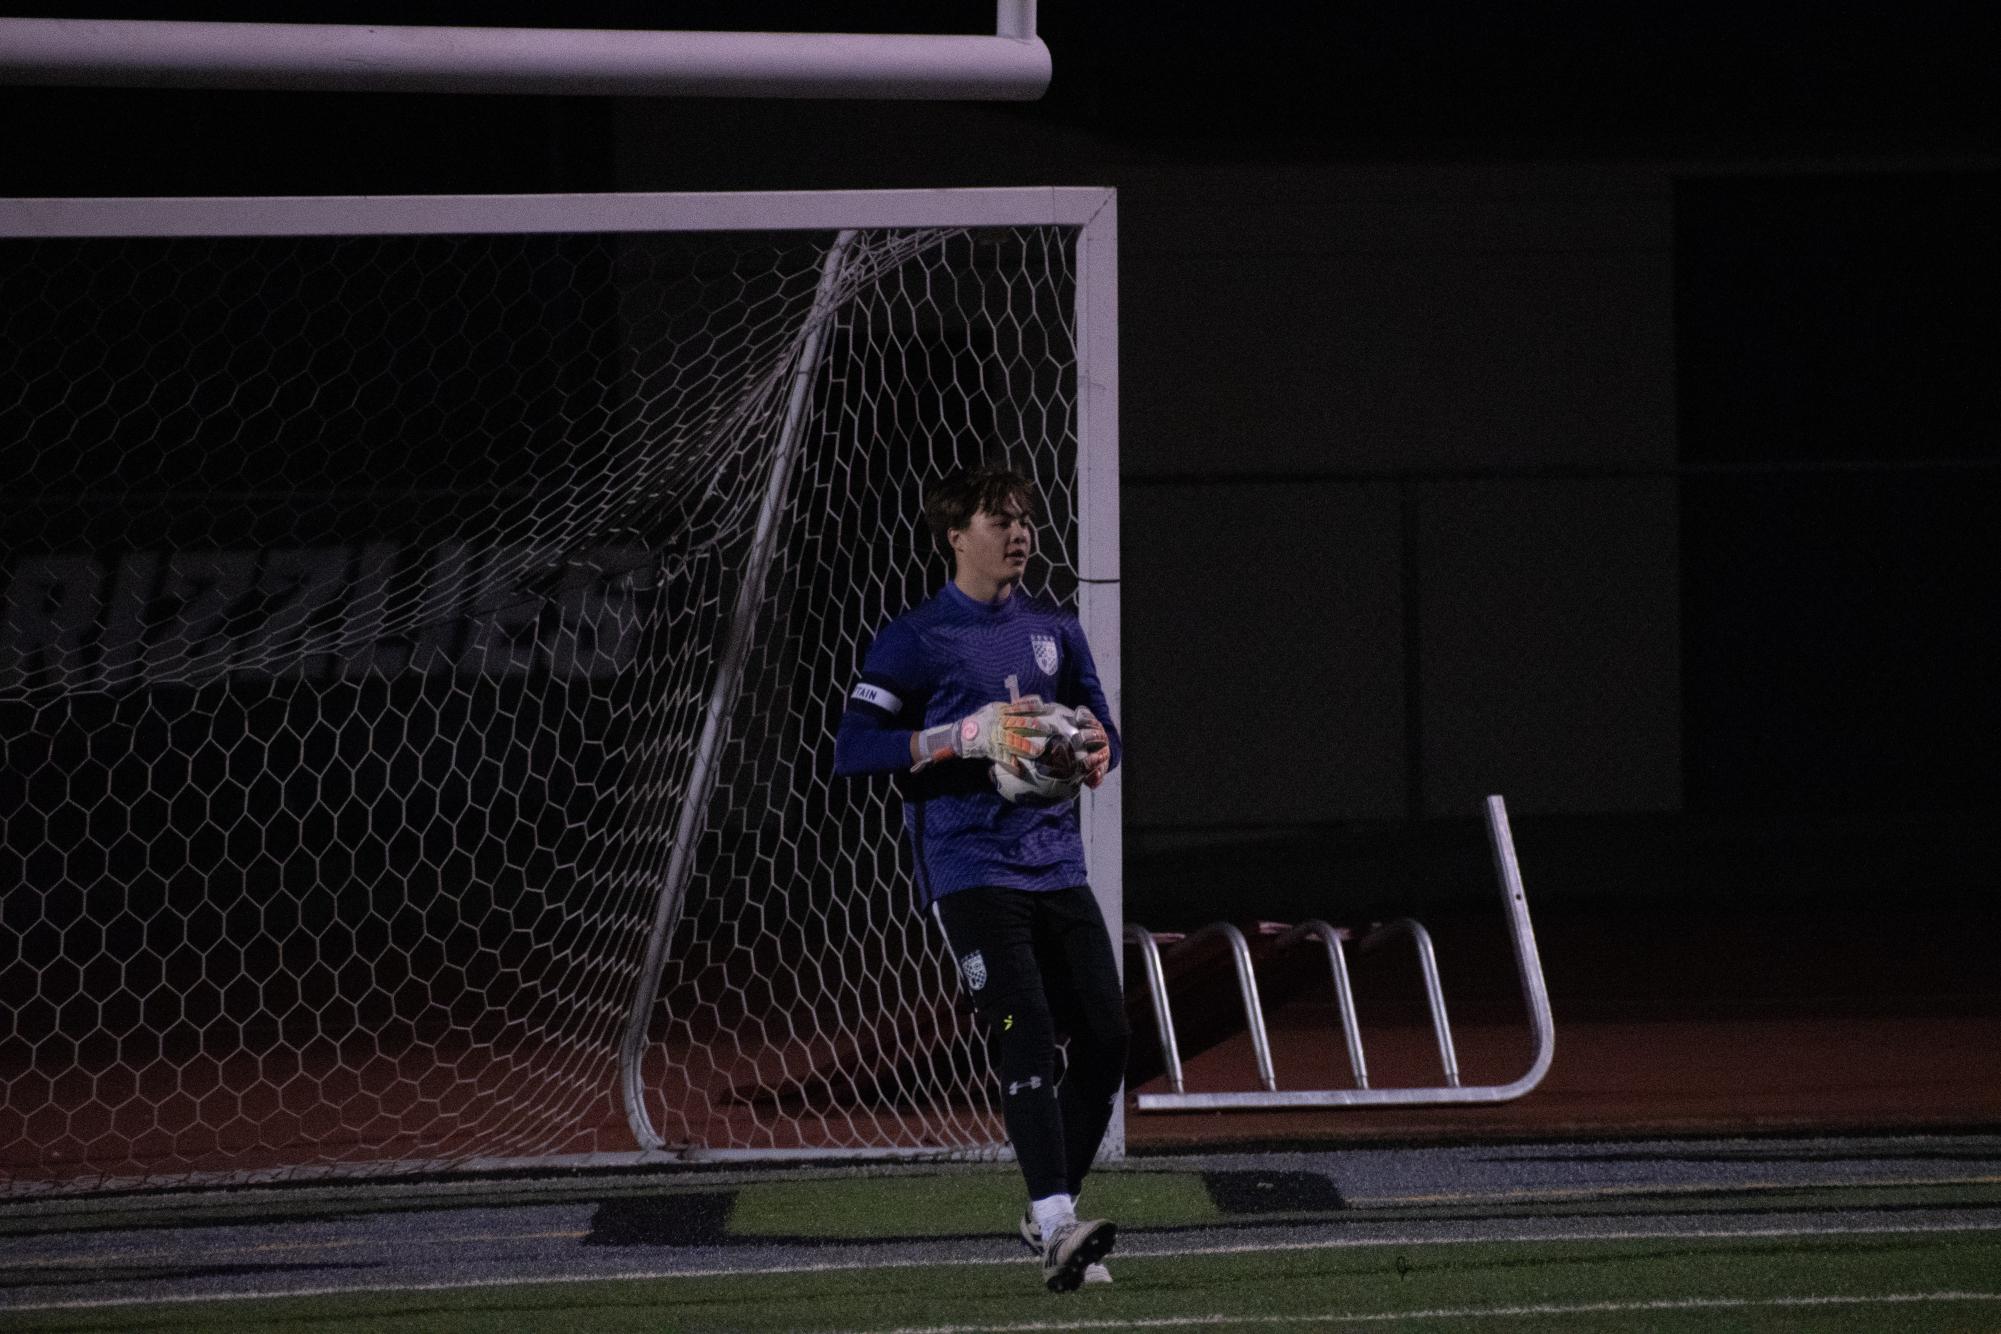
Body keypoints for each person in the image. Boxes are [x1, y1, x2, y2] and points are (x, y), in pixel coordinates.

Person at [833, 463, 1129, 1293]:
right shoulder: (915, 638)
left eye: (1024, 519)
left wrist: (1098, 749)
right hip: (967, 868)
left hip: (1054, 863)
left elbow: (1101, 722)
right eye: (999, 520)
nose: (1019, 533)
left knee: (1107, 1040)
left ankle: (1046, 1213)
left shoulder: (1054, 630)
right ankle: (1058, 1223)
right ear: (955, 535)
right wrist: (955, 736)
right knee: (1026, 1034)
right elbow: (851, 751)